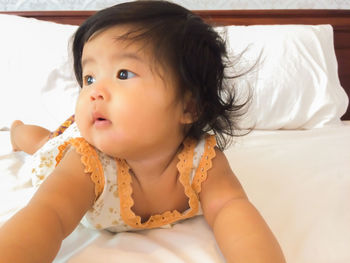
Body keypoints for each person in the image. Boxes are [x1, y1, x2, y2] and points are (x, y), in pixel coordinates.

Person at [0, 1, 286, 262]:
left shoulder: (202, 161)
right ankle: (17, 131)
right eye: (89, 78)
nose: (94, 92)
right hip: (71, 145)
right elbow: (47, 215)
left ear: (190, 106)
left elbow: (232, 210)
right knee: (41, 142)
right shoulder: (86, 164)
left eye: (123, 74)